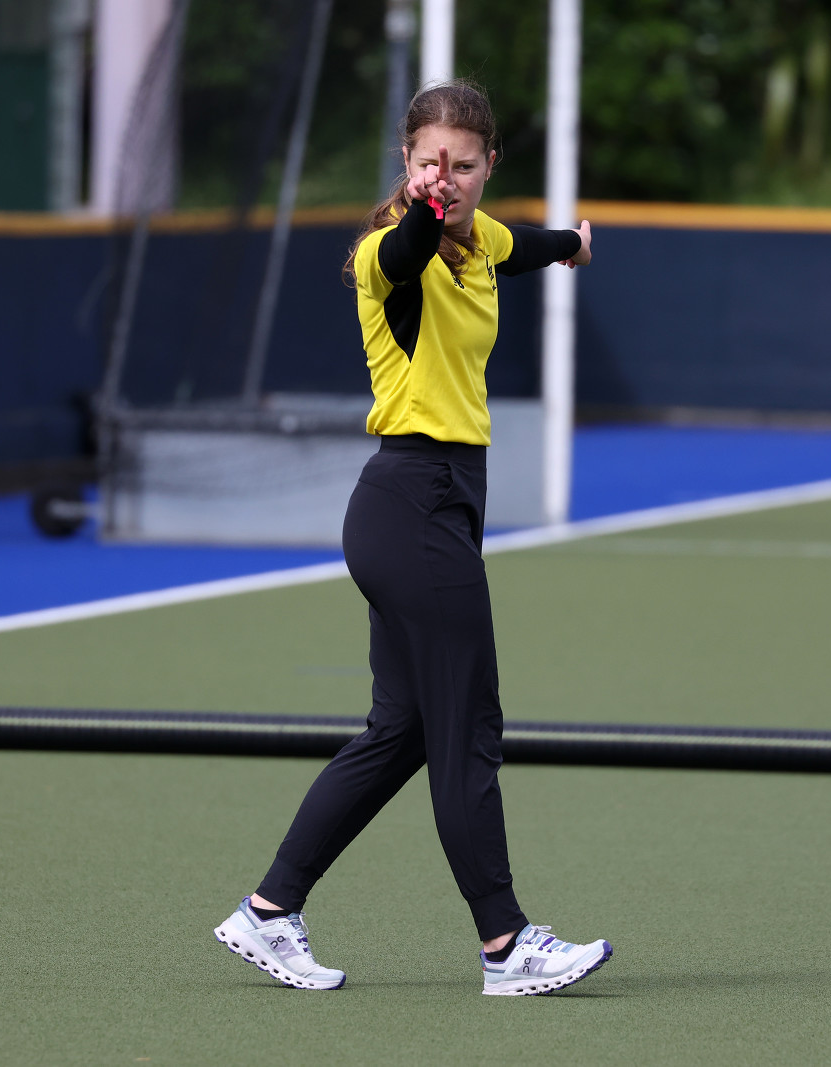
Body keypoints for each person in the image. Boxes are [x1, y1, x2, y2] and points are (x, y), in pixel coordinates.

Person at [213, 80, 611, 997]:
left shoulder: (481, 239)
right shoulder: (388, 251)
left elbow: (523, 247)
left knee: (402, 731)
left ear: (489, 165)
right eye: (431, 162)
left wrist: (573, 246)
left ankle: (268, 910)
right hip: (411, 505)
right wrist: (425, 210)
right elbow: (408, 245)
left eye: (464, 165)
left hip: (438, 508)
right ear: (406, 161)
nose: (447, 177)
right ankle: (506, 945)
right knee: (468, 724)